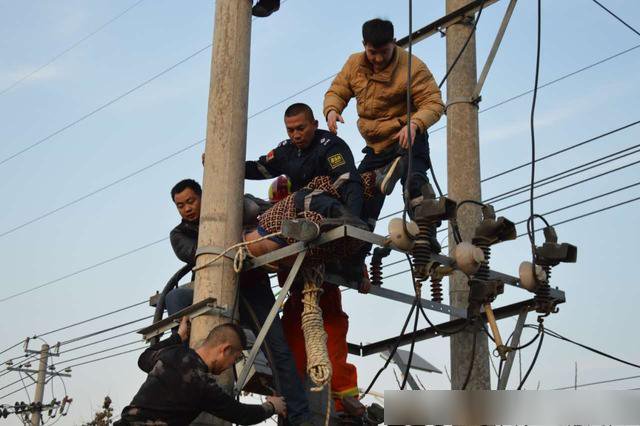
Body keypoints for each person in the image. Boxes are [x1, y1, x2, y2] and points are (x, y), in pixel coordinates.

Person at [166, 179, 313, 426]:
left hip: (250, 283)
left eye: (190, 201)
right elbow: (200, 252)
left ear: (204, 196)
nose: (187, 209)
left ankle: (298, 416)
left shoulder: (233, 209)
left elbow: (265, 214)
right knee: (176, 297)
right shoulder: (179, 234)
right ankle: (183, 355)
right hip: (211, 288)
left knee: (277, 349)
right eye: (180, 206)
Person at [323, 18, 445, 241]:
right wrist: (332, 110)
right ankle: (355, 256)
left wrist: (415, 124)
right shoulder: (354, 64)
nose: (378, 59)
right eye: (372, 52)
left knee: (415, 183)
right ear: (364, 45)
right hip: (376, 147)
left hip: (406, 137)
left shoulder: (412, 67)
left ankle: (426, 240)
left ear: (394, 43)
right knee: (358, 195)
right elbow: (337, 91)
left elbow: (434, 103)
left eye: (384, 52)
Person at [116, 317, 286, 425]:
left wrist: (178, 337)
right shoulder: (202, 385)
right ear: (225, 349)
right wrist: (272, 406)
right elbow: (243, 415)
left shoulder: (171, 354)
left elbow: (143, 358)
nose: (231, 365)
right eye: (236, 358)